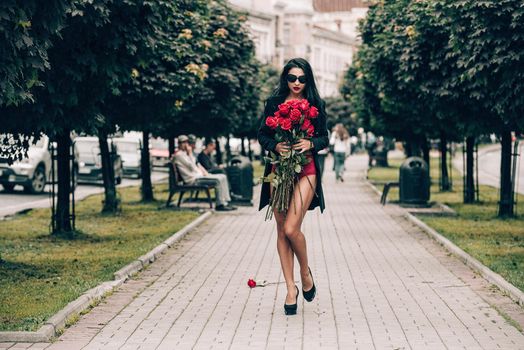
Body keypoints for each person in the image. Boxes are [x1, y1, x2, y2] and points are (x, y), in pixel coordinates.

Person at [258, 58, 328, 316]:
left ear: (307, 79)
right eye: (292, 78)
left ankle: (305, 272)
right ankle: (290, 289)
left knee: (291, 228)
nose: (296, 83)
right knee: (280, 230)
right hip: (279, 169)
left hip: (306, 170)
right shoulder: (274, 104)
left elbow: (324, 136)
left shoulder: (316, 105)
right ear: (285, 78)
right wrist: (275, 145)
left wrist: (311, 144)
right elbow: (262, 134)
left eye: (301, 78)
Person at [173, 135, 237, 211]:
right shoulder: (179, 155)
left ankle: (226, 202)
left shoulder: (184, 154)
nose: (186, 144)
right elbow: (192, 167)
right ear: (179, 144)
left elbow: (194, 165)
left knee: (223, 176)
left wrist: (189, 154)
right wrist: (190, 153)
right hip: (193, 180)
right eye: (184, 142)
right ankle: (219, 205)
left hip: (198, 177)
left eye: (187, 142)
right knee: (218, 180)